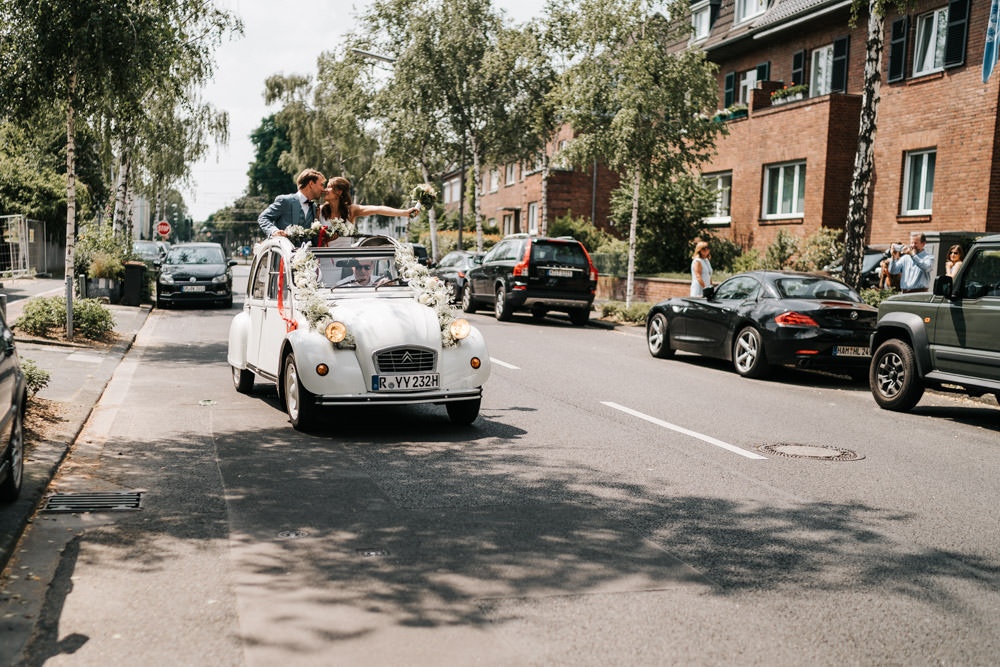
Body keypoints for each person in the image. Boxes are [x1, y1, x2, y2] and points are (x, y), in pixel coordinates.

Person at [319, 176, 418, 226]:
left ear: (339, 192)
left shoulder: (351, 210)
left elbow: (378, 209)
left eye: (329, 187)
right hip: (324, 259)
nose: (325, 190)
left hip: (345, 261)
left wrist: (405, 213)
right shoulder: (319, 210)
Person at [258, 169, 326, 238]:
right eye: (321, 185)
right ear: (311, 184)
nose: (323, 189)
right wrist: (274, 231)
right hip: (284, 247)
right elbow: (263, 217)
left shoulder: (314, 207)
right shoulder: (285, 201)